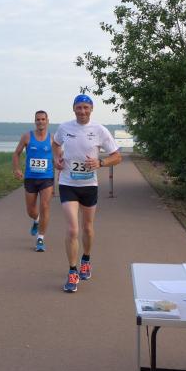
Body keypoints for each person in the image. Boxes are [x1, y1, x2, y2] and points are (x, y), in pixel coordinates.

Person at [53, 94, 121, 292]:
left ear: (91, 109)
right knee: (73, 230)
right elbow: (56, 144)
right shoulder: (64, 128)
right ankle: (72, 271)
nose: (82, 111)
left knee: (87, 228)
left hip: (89, 185)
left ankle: (86, 259)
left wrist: (101, 162)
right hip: (68, 183)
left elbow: (117, 157)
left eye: (86, 107)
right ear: (73, 109)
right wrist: (57, 158)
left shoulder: (100, 130)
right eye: (79, 107)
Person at [12, 110, 55, 251]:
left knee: (45, 206)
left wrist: (61, 168)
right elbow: (16, 153)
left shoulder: (52, 138)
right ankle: (36, 220)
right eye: (38, 119)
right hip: (30, 178)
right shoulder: (27, 136)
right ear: (35, 121)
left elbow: (58, 156)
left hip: (46, 178)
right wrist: (16, 169)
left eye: (43, 119)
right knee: (30, 210)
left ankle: (40, 238)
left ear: (47, 121)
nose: (40, 121)